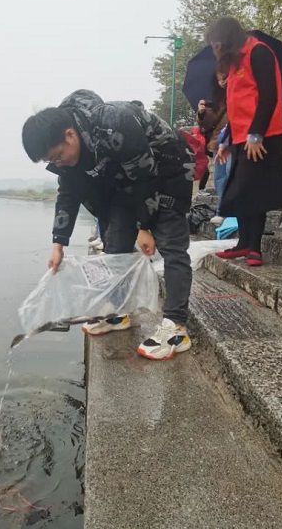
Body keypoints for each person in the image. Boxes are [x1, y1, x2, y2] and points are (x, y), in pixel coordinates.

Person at [21, 90, 195, 361]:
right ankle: (117, 313)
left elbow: (144, 176)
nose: (57, 163)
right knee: (114, 245)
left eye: (57, 156)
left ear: (69, 134)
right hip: (125, 181)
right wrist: (58, 244)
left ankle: (176, 327)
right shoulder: (68, 152)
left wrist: (144, 226)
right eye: (50, 161)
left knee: (171, 244)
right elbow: (68, 193)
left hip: (167, 169)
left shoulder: (114, 122)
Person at [207, 17, 282, 267]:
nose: (217, 51)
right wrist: (226, 141)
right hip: (241, 138)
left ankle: (254, 248)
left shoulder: (258, 52)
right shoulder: (235, 65)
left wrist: (257, 134)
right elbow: (236, 107)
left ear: (228, 39)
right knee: (240, 192)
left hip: (263, 136)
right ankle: (243, 243)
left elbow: (269, 96)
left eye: (217, 45)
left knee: (254, 191)